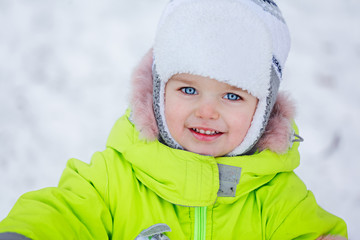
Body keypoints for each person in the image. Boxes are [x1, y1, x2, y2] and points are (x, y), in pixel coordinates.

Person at [0, 0, 348, 239]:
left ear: (263, 109)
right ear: (159, 90)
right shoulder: (114, 179)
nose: (207, 111)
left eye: (232, 96)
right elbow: (64, 212)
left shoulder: (278, 198)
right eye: (188, 90)